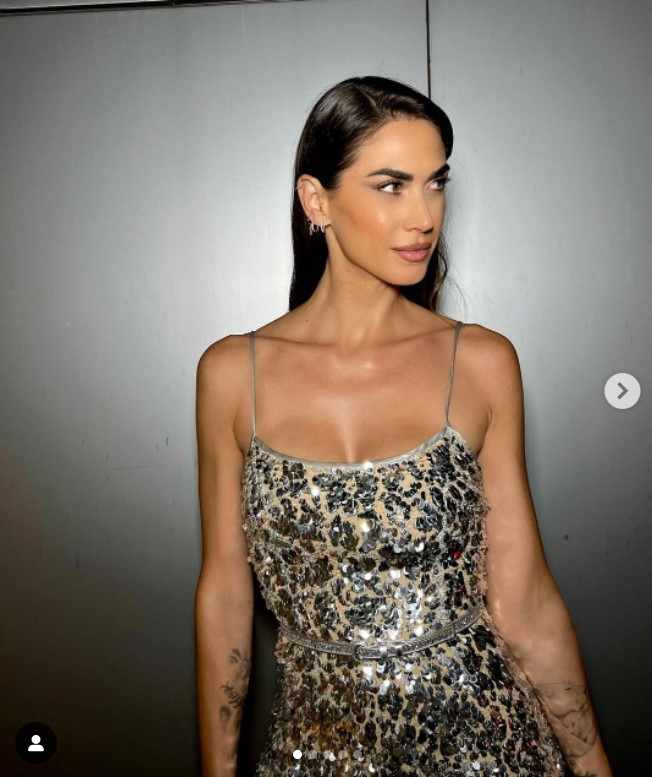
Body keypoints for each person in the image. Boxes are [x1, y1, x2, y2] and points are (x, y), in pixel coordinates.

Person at [195, 76, 613, 777]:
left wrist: (593, 764)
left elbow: (525, 601)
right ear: (316, 201)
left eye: (435, 183)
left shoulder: (480, 362)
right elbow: (224, 597)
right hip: (315, 751)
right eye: (391, 186)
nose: (424, 216)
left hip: (487, 745)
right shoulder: (233, 374)